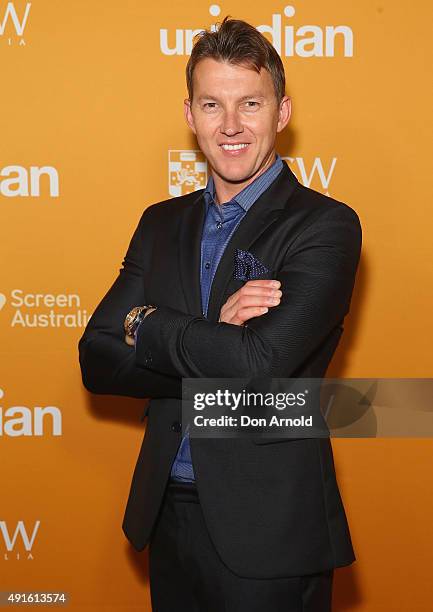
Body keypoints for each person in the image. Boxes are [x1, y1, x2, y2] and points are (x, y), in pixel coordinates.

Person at [78, 16, 362, 612]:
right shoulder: (161, 223)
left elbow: (259, 364)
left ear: (281, 113)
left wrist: (145, 323)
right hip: (167, 514)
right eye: (212, 104)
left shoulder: (324, 225)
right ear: (190, 115)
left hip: (270, 530)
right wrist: (215, 335)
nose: (230, 126)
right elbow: (97, 358)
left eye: (249, 104)